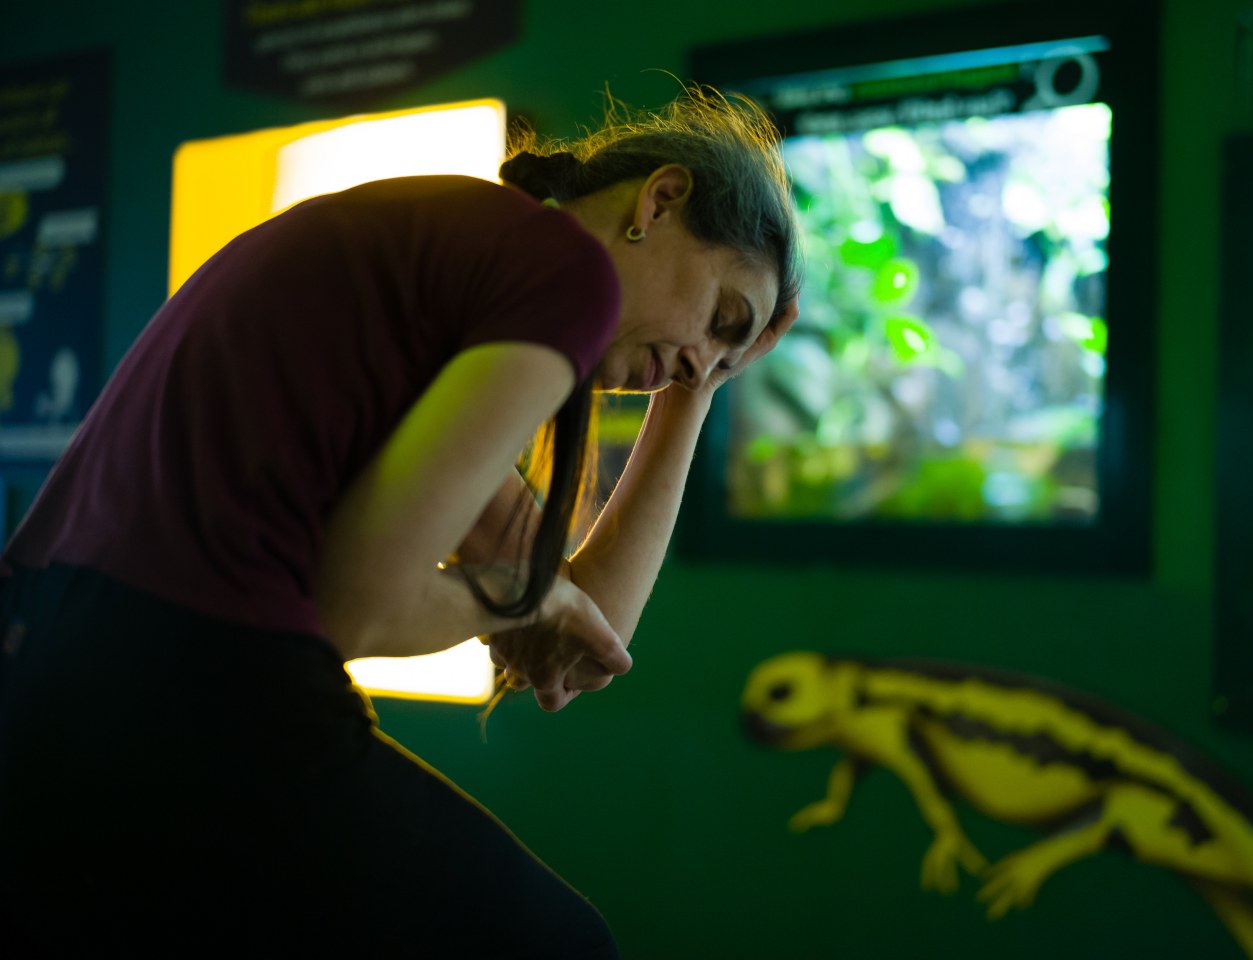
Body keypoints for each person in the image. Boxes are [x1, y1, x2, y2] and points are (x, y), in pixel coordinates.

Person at [0, 84, 801, 956]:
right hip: (188, 686)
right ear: (661, 199)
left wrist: (701, 390)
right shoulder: (557, 273)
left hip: (49, 682)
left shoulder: (451, 261)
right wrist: (515, 598)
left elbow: (589, 626)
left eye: (719, 360)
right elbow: (359, 610)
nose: (697, 361)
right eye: (722, 318)